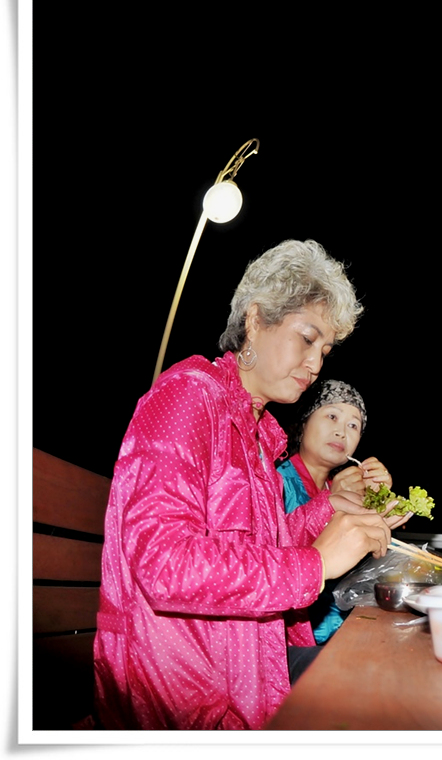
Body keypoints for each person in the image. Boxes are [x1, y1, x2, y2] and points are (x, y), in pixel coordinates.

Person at [94, 239, 404, 730]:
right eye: (307, 339)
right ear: (256, 319)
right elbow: (162, 564)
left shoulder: (257, 435)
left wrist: (332, 509)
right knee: (386, 700)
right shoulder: (188, 397)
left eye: (325, 351)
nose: (316, 364)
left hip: (249, 671)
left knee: (393, 672)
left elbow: (263, 552)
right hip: (187, 695)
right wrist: (318, 563)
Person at [278, 379, 407, 643]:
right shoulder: (275, 481)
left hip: (342, 630)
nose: (341, 432)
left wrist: (377, 504)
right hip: (294, 638)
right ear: (304, 422)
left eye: (353, 425)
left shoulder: (339, 486)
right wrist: (331, 502)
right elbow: (277, 560)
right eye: (332, 416)